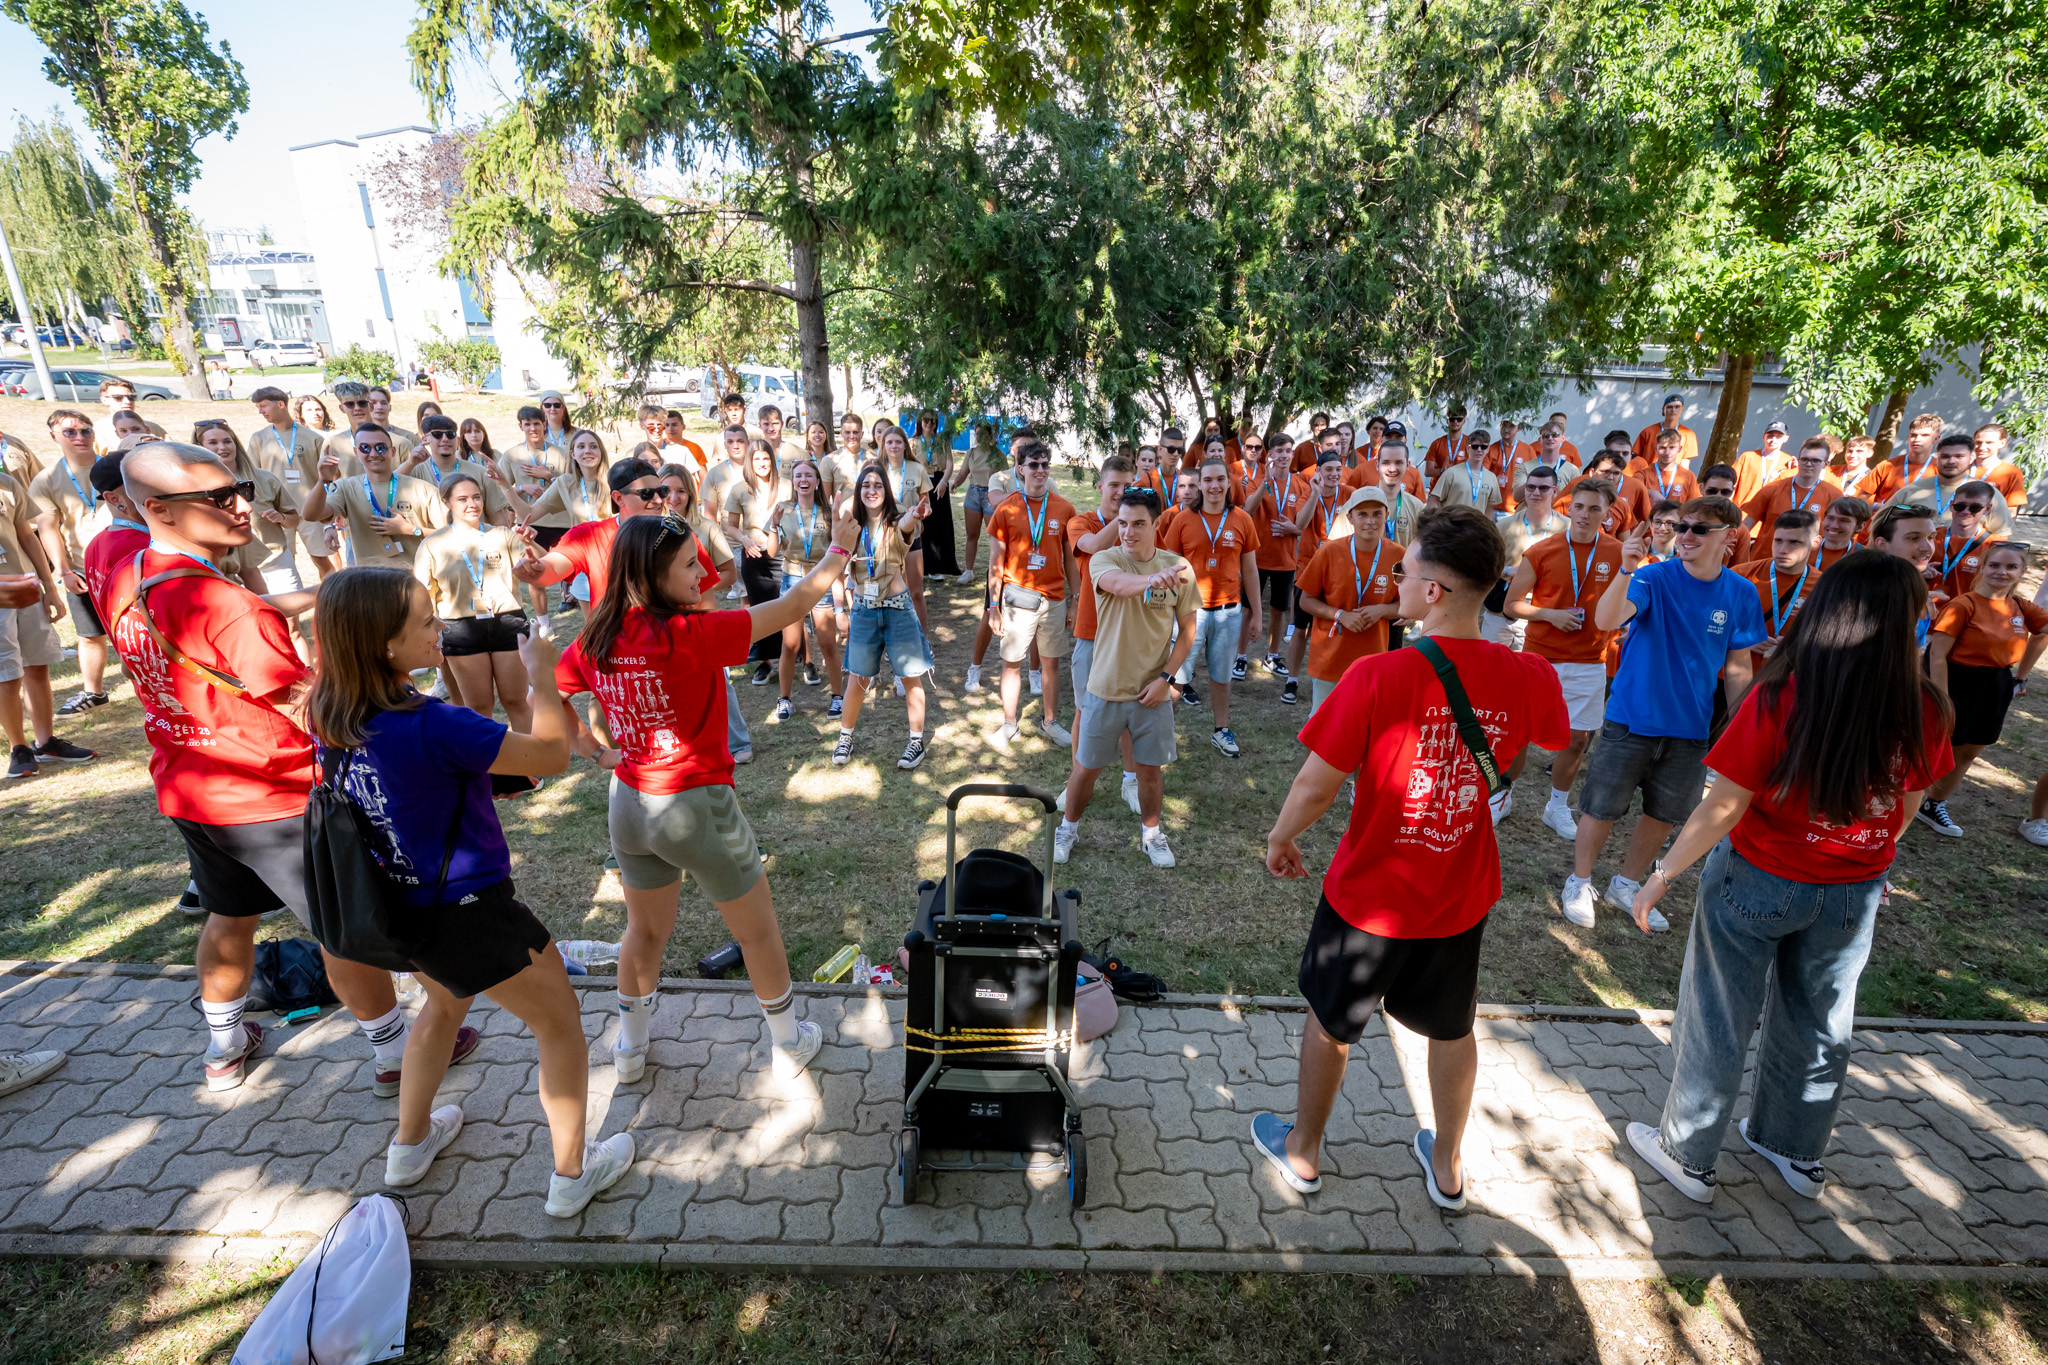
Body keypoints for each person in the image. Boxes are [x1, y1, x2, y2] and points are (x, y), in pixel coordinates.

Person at [103, 442, 453, 1094]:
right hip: (273, 798)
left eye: (239, 488)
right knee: (342, 927)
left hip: (192, 789)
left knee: (229, 916)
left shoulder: (129, 576)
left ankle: (224, 1042)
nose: (244, 505)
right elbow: (311, 708)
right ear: (159, 509)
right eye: (220, 498)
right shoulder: (227, 606)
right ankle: (394, 1051)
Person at [1254, 506, 1569, 1208]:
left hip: (1371, 892)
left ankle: (1303, 1151)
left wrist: (1280, 837)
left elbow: (1314, 783)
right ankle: (1449, 1166)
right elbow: (1553, 741)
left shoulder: (1378, 676)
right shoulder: (1529, 674)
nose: (1396, 578)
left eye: (1406, 570)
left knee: (1333, 1020)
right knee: (1453, 1026)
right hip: (1460, 887)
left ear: (1434, 592)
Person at [1623, 552, 1953, 1205]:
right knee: (1821, 1018)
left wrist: (1660, 874)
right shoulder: (1926, 706)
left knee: (1720, 1014)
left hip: (1760, 878)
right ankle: (1794, 1147)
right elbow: (1907, 805)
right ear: (1907, 620)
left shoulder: (1784, 694)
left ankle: (1687, 1154)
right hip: (1852, 887)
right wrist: (1865, 856)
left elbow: (1724, 803)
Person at [304, 566, 633, 1214]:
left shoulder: (329, 710)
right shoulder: (431, 723)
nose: (440, 628)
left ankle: (410, 1144)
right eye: (425, 622)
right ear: (384, 645)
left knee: (444, 1007)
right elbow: (545, 754)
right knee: (560, 1022)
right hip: (470, 910)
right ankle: (573, 1174)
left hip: (402, 907)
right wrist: (539, 673)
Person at [557, 509, 863, 1086]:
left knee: (642, 933)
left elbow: (549, 690)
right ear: (651, 576)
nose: (701, 573)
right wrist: (838, 552)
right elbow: (792, 608)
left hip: (627, 802)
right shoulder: (689, 635)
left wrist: (595, 752)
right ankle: (789, 1042)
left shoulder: (595, 634)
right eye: (685, 566)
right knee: (758, 931)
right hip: (694, 806)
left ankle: (629, 1047)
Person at [1562, 494, 1765, 931]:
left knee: (1664, 813)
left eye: (1699, 529)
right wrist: (1625, 569)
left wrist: (1739, 723)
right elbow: (1607, 619)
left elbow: (1737, 665)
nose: (1685, 535)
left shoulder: (1742, 592)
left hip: (1691, 728)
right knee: (1601, 807)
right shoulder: (1651, 577)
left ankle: (1626, 883)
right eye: (1682, 526)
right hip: (1631, 717)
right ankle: (1579, 882)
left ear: (1729, 538)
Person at [1053, 486, 1200, 868]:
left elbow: (1187, 630)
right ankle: (1068, 828)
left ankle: (1151, 835)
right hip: (1104, 688)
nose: (1128, 532)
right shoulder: (1104, 559)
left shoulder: (1179, 568)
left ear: (1156, 524)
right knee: (1085, 769)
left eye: (1138, 524)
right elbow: (1118, 585)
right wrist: (1152, 581)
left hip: (1150, 691)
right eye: (1122, 523)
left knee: (1149, 772)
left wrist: (1167, 679)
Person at [1503, 476, 1621, 839]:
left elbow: (1629, 602)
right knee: (1519, 734)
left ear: (1607, 513)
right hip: (1540, 659)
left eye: (1594, 509)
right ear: (1569, 508)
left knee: (1577, 740)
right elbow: (1511, 604)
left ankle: (1557, 805)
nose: (1584, 515)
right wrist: (1550, 614)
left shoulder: (1619, 553)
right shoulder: (1542, 550)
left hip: (1590, 660)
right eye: (1579, 507)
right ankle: (1503, 795)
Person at [1918, 542, 2046, 837]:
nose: (2002, 572)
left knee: (1970, 750)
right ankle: (1899, 798)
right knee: (1935, 746)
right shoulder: (1965, 604)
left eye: (2011, 567)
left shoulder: (2020, 606)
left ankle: (1934, 804)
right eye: (1995, 565)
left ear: (2022, 572)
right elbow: (1937, 655)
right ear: (1983, 568)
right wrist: (1942, 698)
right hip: (1956, 681)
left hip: (1996, 683)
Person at [828, 462, 934, 768]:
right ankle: (845, 738)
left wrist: (915, 515)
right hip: (863, 610)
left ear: (886, 490)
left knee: (910, 677)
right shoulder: (850, 526)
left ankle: (916, 742)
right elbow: (837, 565)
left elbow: (907, 525)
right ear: (859, 491)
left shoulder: (897, 518)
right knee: (858, 679)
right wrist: (841, 606)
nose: (871, 491)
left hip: (897, 607)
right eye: (866, 486)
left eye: (877, 485)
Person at [1158, 457, 1260, 753]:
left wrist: (1256, 614)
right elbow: (1169, 568)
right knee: (1177, 675)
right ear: (1199, 485)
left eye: (1220, 479)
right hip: (1190, 612)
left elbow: (1250, 570)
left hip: (1228, 611)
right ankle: (1164, 734)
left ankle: (1221, 730)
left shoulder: (1242, 519)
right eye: (1208, 480)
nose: (1214, 486)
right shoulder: (1182, 520)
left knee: (1221, 675)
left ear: (1229, 483)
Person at [416, 473, 533, 730]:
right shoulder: (432, 544)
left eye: (477, 497)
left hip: (507, 621)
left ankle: (531, 768)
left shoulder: (503, 534)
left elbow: (536, 569)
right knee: (478, 708)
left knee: (517, 700)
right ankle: (487, 769)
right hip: (460, 628)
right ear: (446, 502)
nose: (472, 504)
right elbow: (423, 596)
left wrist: (531, 548)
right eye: (463, 498)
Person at [0, 449, 89, 780]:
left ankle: (45, 741)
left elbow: (27, 536)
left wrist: (49, 587)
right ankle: (18, 747)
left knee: (36, 665)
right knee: (7, 674)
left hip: (26, 589)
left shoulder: (7, 484)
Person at [983, 440, 1075, 749]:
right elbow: (995, 562)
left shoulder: (1064, 508)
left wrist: (1074, 601)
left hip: (1054, 599)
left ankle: (1050, 722)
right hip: (1017, 599)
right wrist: (993, 606)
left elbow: (1070, 559)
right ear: (1020, 469)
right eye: (1034, 465)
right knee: (1012, 662)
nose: (1040, 470)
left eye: (1045, 464)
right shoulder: (1007, 507)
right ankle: (1010, 724)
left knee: (1050, 663)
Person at [1064, 455, 1143, 810]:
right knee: (1085, 709)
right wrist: (1128, 516)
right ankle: (1077, 781)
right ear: (1100, 487)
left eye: (1129, 487)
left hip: (1130, 634)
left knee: (1129, 713)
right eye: (1115, 485)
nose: (1121, 492)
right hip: (1092, 632)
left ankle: (1131, 781)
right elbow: (1092, 546)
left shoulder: (1142, 525)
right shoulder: (1081, 522)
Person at [29, 408, 120, 714]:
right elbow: (47, 528)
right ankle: (93, 692)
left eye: (85, 430)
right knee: (90, 634)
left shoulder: (115, 466)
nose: (80, 437)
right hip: (83, 569)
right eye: (70, 432)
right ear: (54, 437)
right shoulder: (46, 480)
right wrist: (63, 571)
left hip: (128, 561)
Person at [1292, 486, 1401, 712]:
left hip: (1372, 660)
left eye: (1376, 514)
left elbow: (1407, 607)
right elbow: (1305, 601)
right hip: (1330, 658)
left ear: (1387, 516)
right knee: (1322, 728)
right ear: (1350, 517)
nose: (1370, 521)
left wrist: (1381, 610)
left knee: (1364, 728)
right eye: (1362, 514)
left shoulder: (1399, 555)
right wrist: (1341, 615)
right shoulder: (1329, 552)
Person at [303, 423, 447, 570]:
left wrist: (410, 530)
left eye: (380, 447)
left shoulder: (422, 488)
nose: (373, 454)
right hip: (369, 581)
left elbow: (451, 533)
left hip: (416, 579)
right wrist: (323, 480)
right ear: (356, 452)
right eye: (365, 448)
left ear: (392, 451)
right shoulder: (346, 487)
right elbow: (310, 515)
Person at [766, 458, 845, 721]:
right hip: (792, 581)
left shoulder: (827, 510)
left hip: (820, 580)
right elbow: (772, 551)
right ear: (793, 481)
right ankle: (785, 699)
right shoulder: (783, 510)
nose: (803, 480)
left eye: (809, 476)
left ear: (818, 481)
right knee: (790, 645)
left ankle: (837, 697)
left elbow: (838, 548)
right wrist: (775, 526)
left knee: (827, 644)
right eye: (798, 475)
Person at [191, 419, 305, 593]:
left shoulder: (264, 478)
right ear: (199, 446)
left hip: (275, 561)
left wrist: (281, 517)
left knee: (289, 619)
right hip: (234, 567)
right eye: (213, 443)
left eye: (228, 441)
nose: (222, 447)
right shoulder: (196, 485)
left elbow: (294, 520)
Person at [249, 385, 337, 578]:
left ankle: (331, 599)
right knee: (283, 564)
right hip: (277, 513)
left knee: (321, 560)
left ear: (281, 404)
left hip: (310, 512)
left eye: (263, 406)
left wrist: (328, 520)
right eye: (258, 407)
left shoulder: (313, 438)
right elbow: (252, 477)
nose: (260, 411)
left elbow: (327, 478)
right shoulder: (258, 439)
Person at [1236, 436, 1305, 681]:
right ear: (1270, 455)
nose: (1284, 456)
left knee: (1278, 610)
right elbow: (1248, 511)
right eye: (1279, 451)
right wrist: (1265, 483)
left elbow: (1302, 523)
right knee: (1247, 609)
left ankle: (1272, 656)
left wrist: (1293, 530)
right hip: (1257, 558)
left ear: (1293, 453)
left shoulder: (1300, 485)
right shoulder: (1257, 481)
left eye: (1288, 451)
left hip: (1285, 559)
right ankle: (1241, 656)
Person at [725, 438, 789, 683]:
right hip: (754, 555)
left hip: (783, 554)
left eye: (766, 458)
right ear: (750, 462)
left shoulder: (787, 486)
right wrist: (744, 539)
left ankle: (803, 659)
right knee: (760, 609)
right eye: (757, 459)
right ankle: (765, 662)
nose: (762, 463)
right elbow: (730, 526)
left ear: (772, 461)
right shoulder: (740, 489)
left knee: (788, 605)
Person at [1734, 509, 1821, 679]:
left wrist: (1797, 644)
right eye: (1778, 540)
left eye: (1794, 542)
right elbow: (1710, 618)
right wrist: (1743, 637)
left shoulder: (1824, 586)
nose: (1783, 549)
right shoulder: (1741, 573)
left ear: (1815, 542)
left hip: (1783, 679)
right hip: (1732, 675)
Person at [1485, 464, 1564, 649]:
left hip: (1542, 611)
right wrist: (1508, 571)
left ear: (1555, 491)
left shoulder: (1567, 528)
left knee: (1529, 672)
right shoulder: (1505, 525)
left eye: (1543, 488)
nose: (1536, 492)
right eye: (1531, 487)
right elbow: (1484, 565)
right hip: (1500, 611)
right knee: (1490, 670)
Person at [402, 415, 520, 527]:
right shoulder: (415, 472)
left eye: (450, 434)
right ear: (425, 439)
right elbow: (388, 484)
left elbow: (499, 521)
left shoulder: (480, 472)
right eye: (437, 434)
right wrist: (410, 463)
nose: (445, 439)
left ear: (457, 440)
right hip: (435, 543)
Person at [1893, 433, 2016, 536]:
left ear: (1971, 458)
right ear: (1937, 458)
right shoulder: (1912, 490)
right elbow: (1883, 524)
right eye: (1945, 456)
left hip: (1966, 562)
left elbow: (2002, 536)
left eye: (1959, 456)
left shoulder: (1988, 494)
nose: (1951, 461)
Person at [874, 422, 932, 630]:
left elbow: (926, 504)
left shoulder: (916, 469)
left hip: (911, 535)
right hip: (884, 538)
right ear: (883, 444)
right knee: (890, 591)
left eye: (898, 442)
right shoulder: (875, 468)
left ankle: (923, 639)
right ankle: (894, 640)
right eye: (889, 442)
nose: (894, 446)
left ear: (905, 445)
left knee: (915, 591)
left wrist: (921, 513)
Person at [1926, 481, 2006, 602]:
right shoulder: (1930, 537)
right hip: (1925, 612)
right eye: (1960, 506)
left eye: (1975, 508)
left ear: (1987, 509)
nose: (1966, 511)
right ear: (1952, 505)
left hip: (1966, 614)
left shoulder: (1995, 546)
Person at [1744, 435, 1840, 530]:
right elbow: (1746, 525)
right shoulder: (1773, 488)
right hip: (1769, 545)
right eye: (1805, 459)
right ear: (1798, 460)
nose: (1808, 464)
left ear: (1826, 464)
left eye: (1815, 461)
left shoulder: (1834, 495)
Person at [911, 410, 961, 579]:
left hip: (939, 482)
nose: (929, 423)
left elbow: (949, 464)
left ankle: (939, 566)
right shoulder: (913, 442)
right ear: (920, 421)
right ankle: (924, 566)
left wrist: (943, 482)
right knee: (924, 523)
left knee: (941, 523)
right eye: (926, 420)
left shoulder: (942, 441)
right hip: (920, 482)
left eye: (933, 420)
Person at [953, 421, 1005, 583]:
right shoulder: (971, 453)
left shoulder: (998, 454)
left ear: (990, 435)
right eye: (976, 433)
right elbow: (963, 473)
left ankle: (996, 570)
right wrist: (955, 483)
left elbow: (1006, 477)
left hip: (991, 494)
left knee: (994, 535)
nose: (979, 436)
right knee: (972, 534)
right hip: (973, 493)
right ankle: (969, 571)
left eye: (983, 433)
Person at [1862, 412, 1945, 505]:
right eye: (1914, 435)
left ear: (1936, 438)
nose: (1917, 439)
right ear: (1908, 437)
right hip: (1885, 517)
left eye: (1925, 435)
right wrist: (1877, 507)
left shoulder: (1941, 470)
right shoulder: (1887, 466)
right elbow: (1860, 497)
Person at [1730, 420, 1794, 511]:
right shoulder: (1748, 457)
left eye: (1778, 436)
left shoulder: (1789, 462)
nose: (1773, 440)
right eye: (1770, 436)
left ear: (1786, 438)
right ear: (1763, 437)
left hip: (1768, 516)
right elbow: (1731, 483)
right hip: (1741, 512)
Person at [1630, 428, 1702, 506]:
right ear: (1656, 449)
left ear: (1679, 449)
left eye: (1672, 448)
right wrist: (1650, 492)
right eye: (1662, 448)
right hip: (1649, 518)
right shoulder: (1643, 474)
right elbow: (1632, 491)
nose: (1667, 453)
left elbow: (1695, 506)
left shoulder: (1688, 476)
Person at [91, 376, 165, 452]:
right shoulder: (96, 430)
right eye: (118, 397)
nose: (127, 401)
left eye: (131, 397)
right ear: (104, 400)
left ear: (147, 430)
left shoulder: (154, 428)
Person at [1969, 422, 2030, 513]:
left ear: (2002, 443)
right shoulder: (1960, 468)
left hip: (1991, 525)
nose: (1982, 447)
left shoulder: (2011, 472)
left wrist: (2007, 527)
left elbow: (2011, 508)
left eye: (1989, 443)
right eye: (1978, 442)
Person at [1632, 394, 1699, 469]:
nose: (1673, 410)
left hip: (1673, 478)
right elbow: (1636, 459)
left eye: (1677, 407)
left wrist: (1684, 479)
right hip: (1648, 476)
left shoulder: (1689, 434)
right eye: (1669, 407)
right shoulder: (1648, 432)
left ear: (1682, 409)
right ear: (1663, 409)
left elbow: (1685, 462)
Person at [1814, 497, 1869, 571]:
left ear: (1859, 527)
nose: (1834, 525)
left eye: (1844, 520)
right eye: (1830, 518)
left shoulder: (1866, 559)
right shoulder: (1805, 549)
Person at [1423, 408, 1469, 483]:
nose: (1455, 422)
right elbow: (1427, 472)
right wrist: (1442, 470)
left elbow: (1476, 469)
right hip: (1438, 490)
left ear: (1464, 420)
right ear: (1447, 421)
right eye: (1452, 419)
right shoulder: (1436, 443)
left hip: (1461, 489)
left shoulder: (1470, 443)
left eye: (1459, 419)